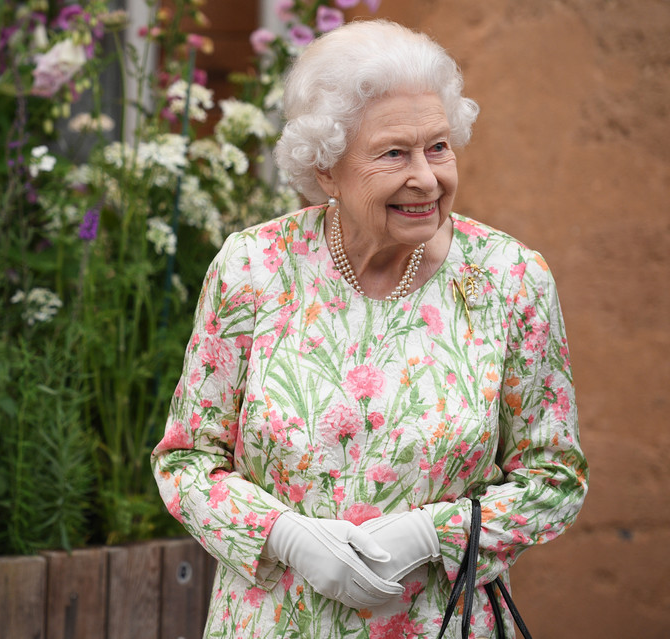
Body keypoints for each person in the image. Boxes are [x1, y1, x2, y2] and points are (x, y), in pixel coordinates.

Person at [151, 18, 588, 638]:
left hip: (442, 622)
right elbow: (188, 460)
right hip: (276, 621)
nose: (427, 178)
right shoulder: (253, 268)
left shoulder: (509, 279)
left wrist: (431, 534)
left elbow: (555, 478)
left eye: (438, 147)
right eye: (394, 154)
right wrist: (286, 536)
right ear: (326, 168)